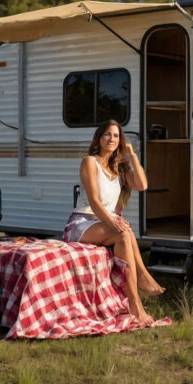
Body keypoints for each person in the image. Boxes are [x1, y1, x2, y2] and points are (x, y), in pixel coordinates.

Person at [62, 119, 165, 326]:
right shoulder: (89, 162)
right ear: (99, 138)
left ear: (120, 141)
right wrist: (113, 220)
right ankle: (138, 295)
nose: (111, 139)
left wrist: (132, 156)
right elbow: (94, 201)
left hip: (103, 224)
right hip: (81, 224)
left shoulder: (118, 168)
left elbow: (142, 185)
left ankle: (136, 300)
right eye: (107, 134)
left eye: (116, 135)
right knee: (123, 229)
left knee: (124, 233)